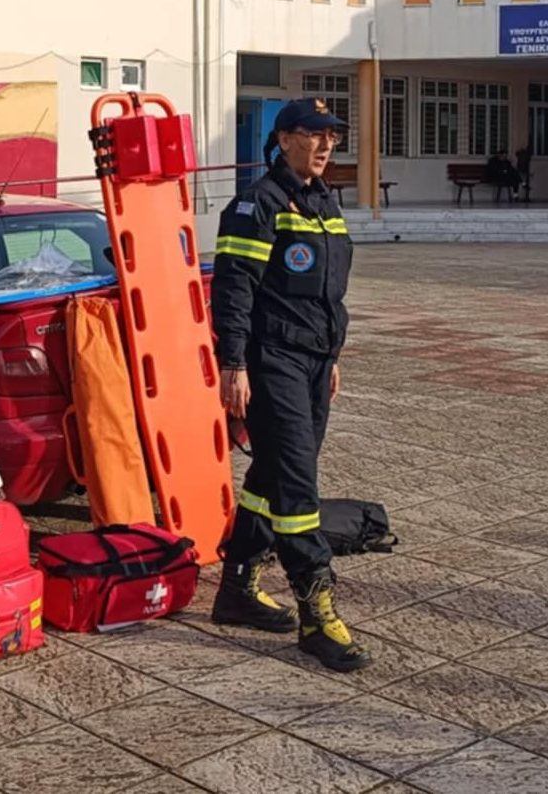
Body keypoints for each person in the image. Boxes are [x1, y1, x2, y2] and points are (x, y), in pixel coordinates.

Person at [208, 98, 370, 672]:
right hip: (269, 360)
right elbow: (233, 292)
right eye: (313, 134)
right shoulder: (258, 204)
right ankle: (315, 609)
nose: (326, 144)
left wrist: (331, 356)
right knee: (298, 487)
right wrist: (234, 366)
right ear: (282, 140)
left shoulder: (325, 201)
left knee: (272, 473)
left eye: (332, 135)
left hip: (312, 363)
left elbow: (327, 292)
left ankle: (237, 589)